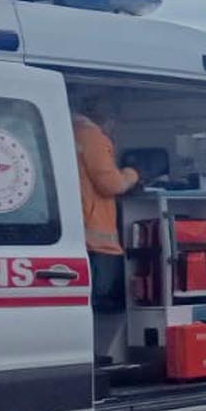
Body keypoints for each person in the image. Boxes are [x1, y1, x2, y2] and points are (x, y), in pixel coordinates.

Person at [72, 99, 142, 315]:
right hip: (97, 243)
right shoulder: (91, 136)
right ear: (105, 118)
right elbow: (111, 184)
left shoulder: (69, 131)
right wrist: (133, 174)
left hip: (77, 233)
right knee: (104, 303)